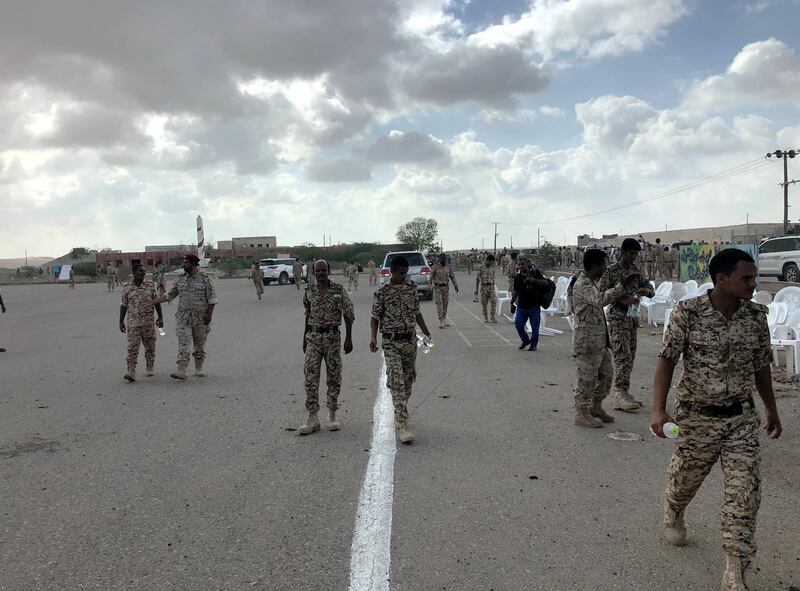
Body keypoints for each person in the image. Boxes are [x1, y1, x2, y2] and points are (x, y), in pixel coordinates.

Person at [652, 248, 782, 590]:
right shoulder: (688, 312)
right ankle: (674, 510)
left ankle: (734, 571)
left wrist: (771, 408)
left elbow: (761, 366)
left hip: (741, 419)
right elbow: (667, 360)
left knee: (744, 494)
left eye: (754, 277)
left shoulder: (756, 317)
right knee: (685, 482)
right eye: (746, 278)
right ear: (720, 279)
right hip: (698, 419)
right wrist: (658, 409)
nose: (753, 284)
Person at [370, 255, 432, 444]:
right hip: (390, 342)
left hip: (410, 342)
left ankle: (400, 408)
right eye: (400, 273)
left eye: (405, 273)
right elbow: (375, 317)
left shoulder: (411, 290)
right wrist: (373, 337)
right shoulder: (382, 292)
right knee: (397, 380)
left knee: (407, 381)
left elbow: (417, 313)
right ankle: (403, 423)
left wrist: (426, 333)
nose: (403, 276)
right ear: (392, 272)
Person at [571, 249, 636, 427]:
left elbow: (598, 312)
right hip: (586, 342)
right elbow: (600, 300)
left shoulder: (593, 283)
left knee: (606, 375)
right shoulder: (583, 284)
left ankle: (595, 407)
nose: (605, 267)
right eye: (603, 264)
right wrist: (620, 287)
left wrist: (607, 338)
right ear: (594, 265)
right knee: (587, 379)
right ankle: (581, 413)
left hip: (598, 340)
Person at [297, 260, 354, 435]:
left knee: (334, 376)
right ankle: (313, 417)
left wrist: (348, 338)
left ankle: (332, 414)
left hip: (332, 338)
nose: (321, 273)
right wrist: (304, 337)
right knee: (310, 377)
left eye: (324, 270)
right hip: (313, 337)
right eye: (318, 271)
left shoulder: (338, 290)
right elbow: (308, 314)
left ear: (329, 271)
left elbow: (349, 313)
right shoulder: (309, 292)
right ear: (314, 273)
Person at [598, 238, 655, 412]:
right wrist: (621, 298)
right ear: (622, 252)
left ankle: (625, 390)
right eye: (631, 253)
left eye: (636, 254)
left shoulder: (636, 270)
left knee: (630, 355)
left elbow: (650, 288)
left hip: (631, 318)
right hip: (617, 317)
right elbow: (601, 293)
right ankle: (619, 393)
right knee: (622, 355)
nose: (634, 257)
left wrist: (646, 291)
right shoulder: (611, 271)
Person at [146, 254, 217, 380]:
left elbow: (212, 299)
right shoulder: (181, 279)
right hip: (183, 317)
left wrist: (209, 315)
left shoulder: (205, 279)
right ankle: (182, 369)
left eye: (186, 262)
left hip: (201, 317)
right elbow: (170, 295)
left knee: (199, 344)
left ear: (194, 264)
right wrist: (153, 301)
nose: (183, 265)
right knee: (184, 343)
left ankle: (199, 366)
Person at [119, 264, 163, 381]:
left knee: (150, 346)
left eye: (144, 271)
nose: (143, 273)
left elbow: (156, 302)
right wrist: (121, 321)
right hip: (133, 324)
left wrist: (160, 317)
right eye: (140, 271)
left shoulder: (150, 286)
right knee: (132, 348)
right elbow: (123, 305)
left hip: (148, 322)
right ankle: (131, 371)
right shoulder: (127, 288)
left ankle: (150, 367)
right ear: (133, 272)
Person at [510, 258, 552, 351]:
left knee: (535, 328)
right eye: (519, 264)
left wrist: (534, 280)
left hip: (534, 306)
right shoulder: (517, 277)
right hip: (521, 306)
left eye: (523, 264)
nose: (521, 266)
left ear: (527, 264)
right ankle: (525, 340)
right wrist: (512, 302)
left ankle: (533, 345)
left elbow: (545, 283)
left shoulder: (535, 273)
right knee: (518, 324)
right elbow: (516, 291)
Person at [431, 253, 459, 329]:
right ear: (439, 259)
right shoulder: (435, 267)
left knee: (445, 304)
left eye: (445, 258)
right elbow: (431, 277)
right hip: (438, 288)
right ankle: (441, 321)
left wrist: (455, 285)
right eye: (442, 258)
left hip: (446, 288)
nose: (444, 260)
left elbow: (452, 277)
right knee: (439, 304)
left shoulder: (448, 267)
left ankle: (444, 318)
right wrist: (430, 285)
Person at [474, 255, 498, 322]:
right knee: (484, 303)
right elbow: (478, 279)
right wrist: (476, 289)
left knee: (494, 301)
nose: (492, 263)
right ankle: (485, 317)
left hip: (491, 287)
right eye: (492, 262)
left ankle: (492, 316)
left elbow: (493, 277)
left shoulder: (492, 268)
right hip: (484, 287)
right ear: (488, 260)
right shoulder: (481, 267)